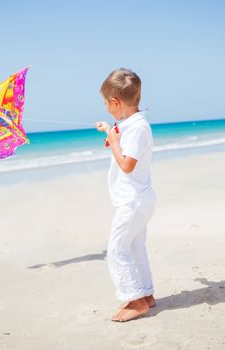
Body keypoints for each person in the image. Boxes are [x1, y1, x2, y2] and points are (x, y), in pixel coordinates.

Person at [95, 68, 157, 322]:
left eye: (106, 103)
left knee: (117, 249)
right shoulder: (131, 125)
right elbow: (127, 152)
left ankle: (135, 300)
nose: (106, 108)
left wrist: (115, 141)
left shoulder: (138, 129)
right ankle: (147, 294)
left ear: (116, 102)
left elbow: (128, 165)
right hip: (139, 198)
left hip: (132, 200)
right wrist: (112, 135)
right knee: (135, 246)